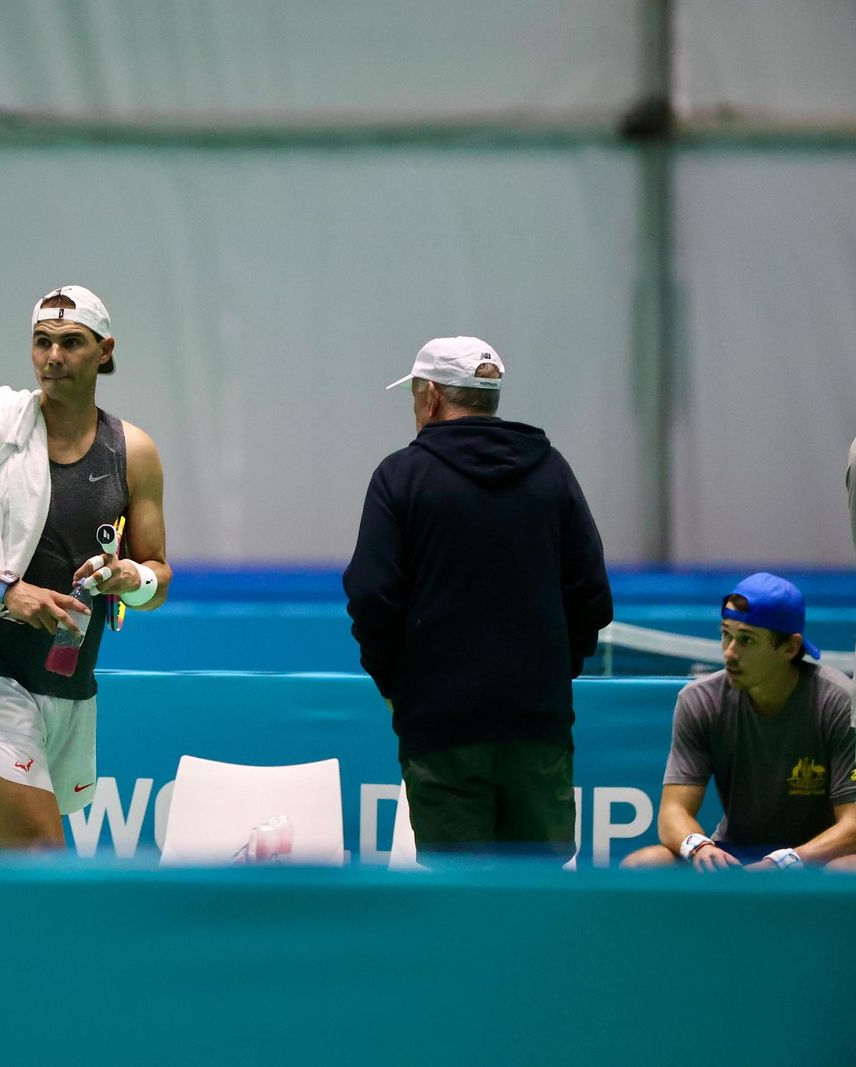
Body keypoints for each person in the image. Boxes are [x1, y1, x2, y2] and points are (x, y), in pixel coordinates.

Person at [0, 285, 170, 851]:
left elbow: (157, 578)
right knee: (43, 856)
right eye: (42, 342)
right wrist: (7, 589)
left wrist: (131, 578)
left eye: (71, 342)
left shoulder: (134, 453)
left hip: (70, 683)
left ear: (104, 350)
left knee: (9, 869)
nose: (53, 356)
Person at [343, 336, 613, 862]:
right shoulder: (552, 471)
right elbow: (592, 596)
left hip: (441, 728)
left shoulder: (400, 476)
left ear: (431, 396)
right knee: (538, 893)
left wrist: (397, 685)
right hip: (538, 723)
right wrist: (551, 674)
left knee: (459, 897)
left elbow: (372, 594)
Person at [621, 573, 856, 871]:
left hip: (815, 859)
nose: (730, 652)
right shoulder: (701, 700)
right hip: (735, 856)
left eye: (746, 640)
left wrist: (784, 862)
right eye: (726, 634)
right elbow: (673, 811)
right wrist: (700, 847)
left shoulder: (838, 702)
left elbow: (853, 826)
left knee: (847, 870)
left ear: (790, 647)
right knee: (645, 864)